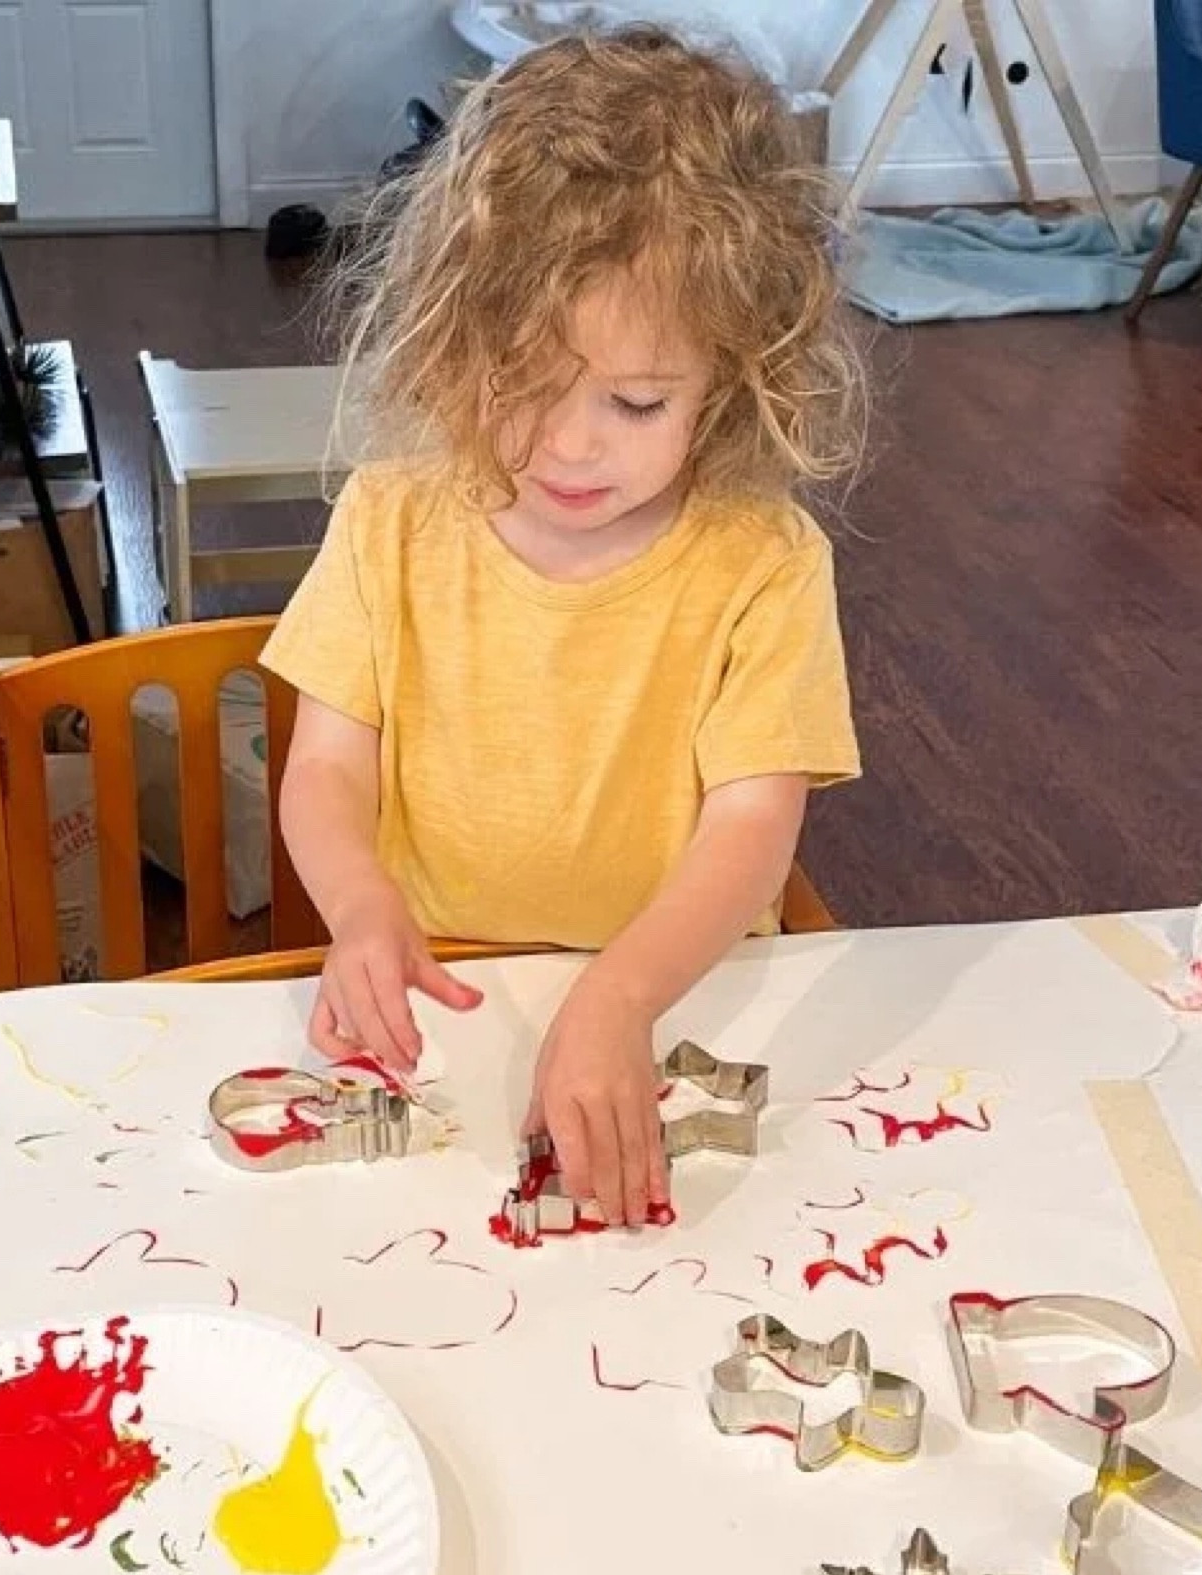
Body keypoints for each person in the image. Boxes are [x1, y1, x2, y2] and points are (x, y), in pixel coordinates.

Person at [267, 24, 866, 1227]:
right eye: (516, 383)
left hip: (681, 988)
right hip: (450, 992)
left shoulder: (763, 561)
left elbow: (752, 824)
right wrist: (361, 905)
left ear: (734, 378)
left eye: (634, 402)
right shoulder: (390, 519)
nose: (569, 445)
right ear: (447, 343)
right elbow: (326, 766)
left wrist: (622, 994)